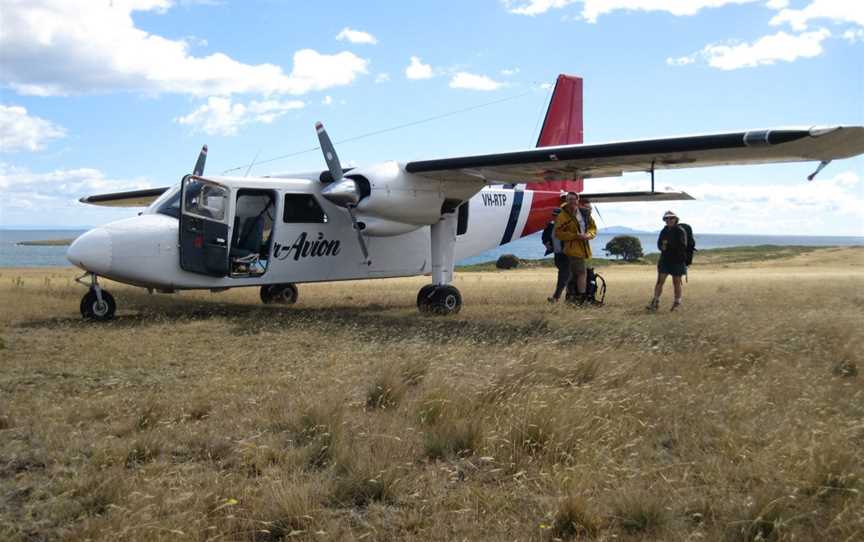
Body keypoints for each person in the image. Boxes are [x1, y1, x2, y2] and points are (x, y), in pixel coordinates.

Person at [554, 192, 597, 305]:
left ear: (578, 200)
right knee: (582, 272)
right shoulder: (563, 215)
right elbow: (558, 233)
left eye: (574, 199)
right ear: (566, 201)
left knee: (573, 275)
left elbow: (593, 228)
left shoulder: (584, 213)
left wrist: (588, 235)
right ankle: (582, 298)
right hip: (572, 250)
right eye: (569, 199)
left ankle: (571, 298)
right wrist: (575, 236)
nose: (572, 201)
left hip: (583, 248)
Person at [647, 210, 687, 311]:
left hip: (677, 260)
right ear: (664, 220)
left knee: (676, 282)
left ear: (675, 219)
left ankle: (677, 302)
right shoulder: (664, 231)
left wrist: (669, 245)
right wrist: (662, 247)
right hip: (665, 260)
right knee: (660, 281)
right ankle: (655, 301)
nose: (669, 220)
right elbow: (659, 244)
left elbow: (683, 246)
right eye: (667, 218)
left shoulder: (680, 231)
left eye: (671, 218)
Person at [541, 208, 569, 302]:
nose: (554, 217)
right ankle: (570, 297)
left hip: (567, 255)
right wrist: (547, 244)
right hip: (557, 255)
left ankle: (556, 297)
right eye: (553, 215)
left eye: (556, 215)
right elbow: (544, 237)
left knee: (563, 276)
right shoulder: (550, 226)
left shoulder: (567, 226)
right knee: (565, 276)